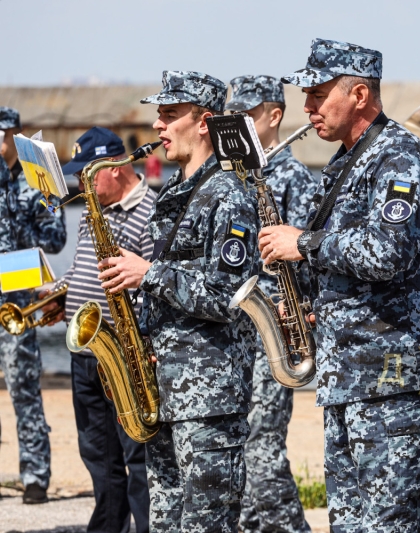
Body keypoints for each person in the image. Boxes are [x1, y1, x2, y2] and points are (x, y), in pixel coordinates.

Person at [259, 38, 420, 532]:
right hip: (350, 380)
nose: (307, 108)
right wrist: (309, 305)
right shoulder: (345, 163)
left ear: (360, 95)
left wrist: (303, 244)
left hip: (396, 382)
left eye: (319, 95)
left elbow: (388, 253)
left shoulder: (400, 157)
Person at [95, 70, 260, 532]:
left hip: (209, 398)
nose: (158, 127)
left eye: (170, 115)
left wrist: (148, 273)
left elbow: (230, 294)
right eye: (158, 115)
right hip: (166, 391)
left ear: (204, 121)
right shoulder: (176, 192)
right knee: (164, 522)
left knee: (207, 523)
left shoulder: (229, 194)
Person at [39, 127, 154, 531]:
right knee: (97, 455)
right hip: (85, 351)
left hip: (122, 355)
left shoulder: (151, 212)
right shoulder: (95, 208)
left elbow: (152, 285)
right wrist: (56, 296)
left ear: (115, 168)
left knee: (137, 458)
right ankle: (107, 525)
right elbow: (80, 270)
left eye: (88, 172)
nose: (81, 182)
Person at [225, 74, 316, 533]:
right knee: (236, 445)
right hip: (234, 329)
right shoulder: (231, 176)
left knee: (261, 447)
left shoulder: (294, 177)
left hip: (273, 326)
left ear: (274, 115)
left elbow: (305, 263)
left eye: (246, 114)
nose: (235, 124)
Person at [0, 106, 67, 505]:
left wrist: (39, 201)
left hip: (18, 293)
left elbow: (57, 238)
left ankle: (35, 475)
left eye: (5, 134)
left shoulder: (35, 181)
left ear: (16, 135)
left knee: (24, 386)